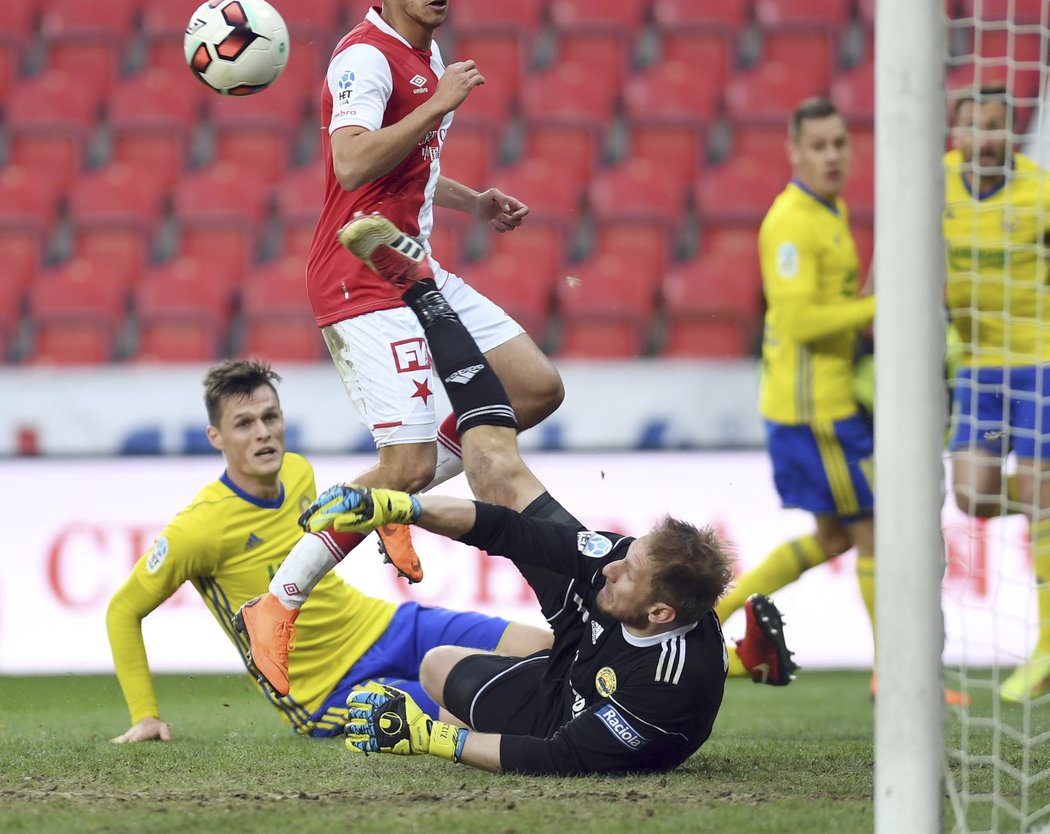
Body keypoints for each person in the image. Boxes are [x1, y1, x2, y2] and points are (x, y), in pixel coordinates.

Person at [292, 212, 797, 776]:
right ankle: (424, 291)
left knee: (438, 670)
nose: (609, 567)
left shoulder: (664, 696)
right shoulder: (620, 570)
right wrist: (400, 505)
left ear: (659, 610)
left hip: (566, 711)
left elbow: (560, 756)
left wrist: (430, 738)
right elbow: (509, 530)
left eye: (626, 573)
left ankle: (742, 660)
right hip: (587, 638)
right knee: (496, 474)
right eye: (623, 557)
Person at [296, 0, 563, 585]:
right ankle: (281, 594)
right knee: (407, 466)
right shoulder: (364, 60)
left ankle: (394, 498)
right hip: (362, 274)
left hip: (414, 265)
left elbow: (404, 166)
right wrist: (442, 102)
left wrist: (471, 200)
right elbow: (353, 163)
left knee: (533, 389)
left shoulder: (424, 49)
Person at [106, 359, 554, 741]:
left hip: (387, 625)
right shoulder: (200, 529)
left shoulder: (298, 471)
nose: (263, 433)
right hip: (330, 691)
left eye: (270, 417)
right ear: (215, 437)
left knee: (542, 646)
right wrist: (145, 714)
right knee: (494, 710)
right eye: (244, 424)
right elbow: (123, 611)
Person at [713, 98, 880, 685]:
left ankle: (718, 614)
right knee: (871, 533)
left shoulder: (830, 211)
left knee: (834, 536)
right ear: (794, 151)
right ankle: (896, 670)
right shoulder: (791, 222)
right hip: (816, 412)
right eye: (819, 145)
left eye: (840, 143)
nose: (832, 155)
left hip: (825, 406)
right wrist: (885, 303)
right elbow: (803, 320)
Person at [944, 85, 1050, 703]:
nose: (985, 140)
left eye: (996, 127)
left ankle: (1044, 645)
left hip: (1040, 362)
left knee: (1037, 488)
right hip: (979, 370)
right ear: (956, 134)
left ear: (1013, 134)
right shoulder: (936, 187)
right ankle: (1045, 504)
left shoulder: (1040, 191)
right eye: (974, 127)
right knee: (974, 497)